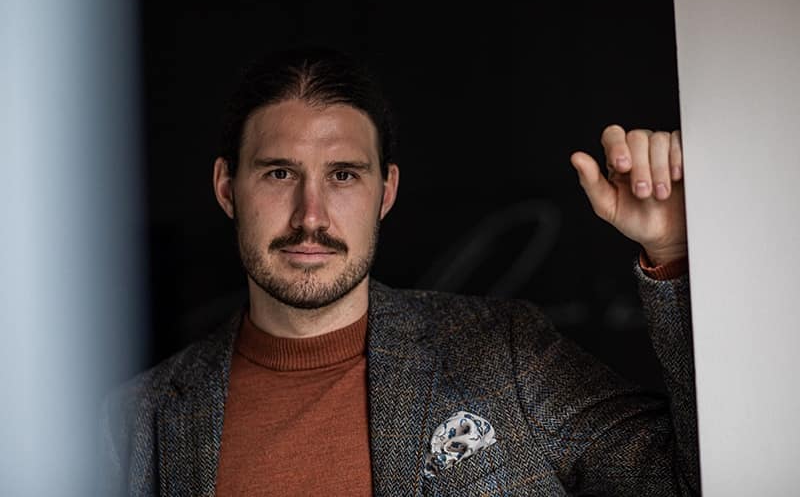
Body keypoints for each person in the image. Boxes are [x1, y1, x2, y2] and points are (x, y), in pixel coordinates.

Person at [99, 48, 698, 496]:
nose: (311, 216)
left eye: (343, 175)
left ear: (385, 191)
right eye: (279, 173)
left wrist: (672, 248)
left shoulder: (507, 353)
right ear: (227, 188)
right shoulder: (132, 425)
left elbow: (697, 479)